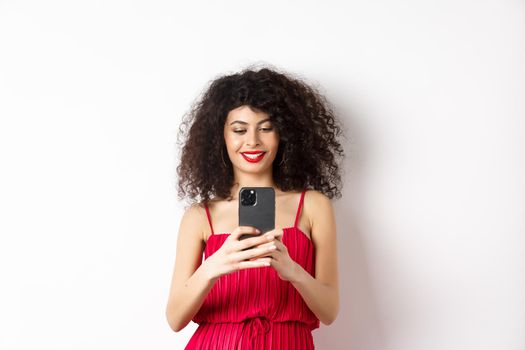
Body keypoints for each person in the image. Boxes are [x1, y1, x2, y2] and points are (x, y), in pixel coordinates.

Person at [165, 65, 345, 349]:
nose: (252, 141)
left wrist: (293, 271)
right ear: (220, 137)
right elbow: (175, 319)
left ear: (283, 134)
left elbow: (329, 311)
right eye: (239, 129)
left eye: (266, 128)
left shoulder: (313, 206)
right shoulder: (200, 216)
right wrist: (213, 267)